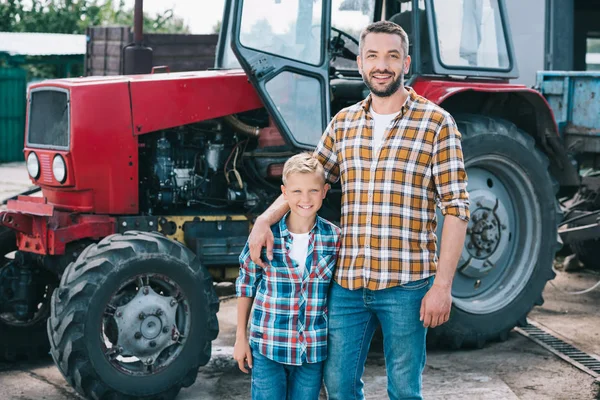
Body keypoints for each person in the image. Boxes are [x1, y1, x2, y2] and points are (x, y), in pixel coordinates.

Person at [247, 20, 470, 400]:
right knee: (338, 385)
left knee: (403, 389)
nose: (381, 65)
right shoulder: (344, 123)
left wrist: (443, 286)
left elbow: (456, 208)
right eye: (372, 56)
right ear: (361, 62)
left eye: (391, 56)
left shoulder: (436, 124)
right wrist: (264, 220)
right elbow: (308, 181)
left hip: (407, 284)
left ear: (406, 62)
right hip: (349, 283)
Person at [234, 153, 341, 400]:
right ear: (284, 192)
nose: (305, 199)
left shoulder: (334, 239)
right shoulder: (265, 235)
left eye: (313, 191)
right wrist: (241, 338)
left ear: (325, 191)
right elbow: (246, 285)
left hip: (311, 353)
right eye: (296, 191)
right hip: (269, 347)